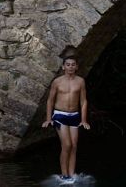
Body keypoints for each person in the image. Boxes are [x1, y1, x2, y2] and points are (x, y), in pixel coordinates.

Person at [42, 55, 91, 185]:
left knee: (74, 146)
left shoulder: (80, 81)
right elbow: (50, 100)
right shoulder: (57, 82)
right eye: (68, 64)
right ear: (63, 67)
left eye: (73, 64)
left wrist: (84, 120)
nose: (70, 67)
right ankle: (64, 175)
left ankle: (71, 174)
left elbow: (83, 101)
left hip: (74, 116)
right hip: (60, 115)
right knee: (67, 145)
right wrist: (48, 118)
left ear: (76, 67)